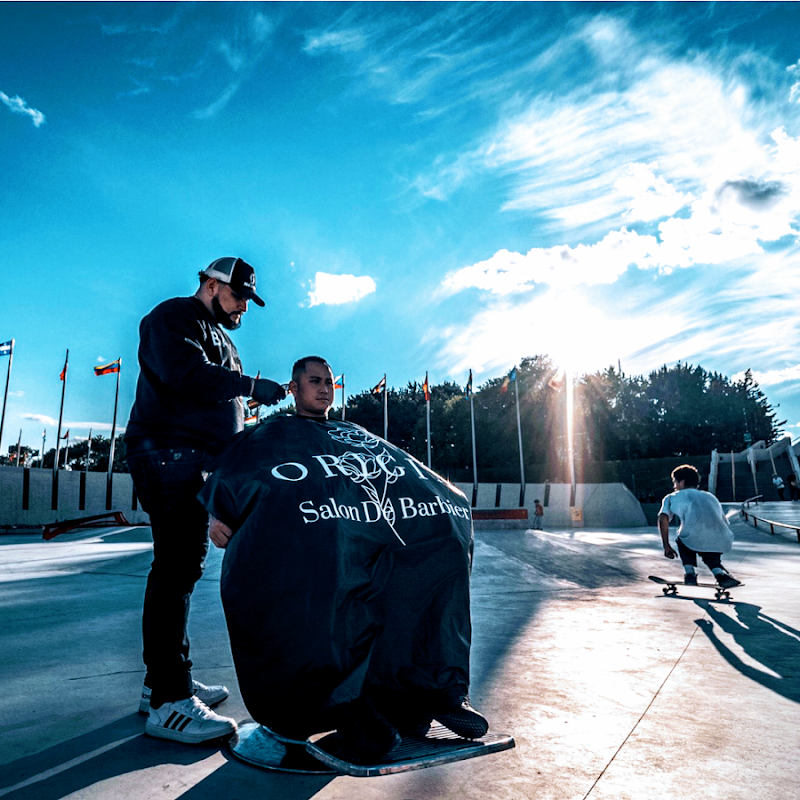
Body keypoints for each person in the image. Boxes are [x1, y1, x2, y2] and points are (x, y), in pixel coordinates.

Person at [200, 356, 489, 765]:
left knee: (442, 539)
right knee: (330, 561)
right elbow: (235, 470)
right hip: (315, 534)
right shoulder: (272, 432)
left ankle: (436, 691)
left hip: (364, 524)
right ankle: (342, 707)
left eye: (329, 383)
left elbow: (402, 471)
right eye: (314, 381)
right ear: (294, 388)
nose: (324, 389)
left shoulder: (353, 432)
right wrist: (219, 508)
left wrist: (447, 501)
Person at [125, 257, 286, 745]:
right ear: (213, 286)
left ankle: (162, 681)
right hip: (167, 454)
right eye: (238, 297)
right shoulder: (173, 317)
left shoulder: (224, 338)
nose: (243, 308)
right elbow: (186, 375)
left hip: (195, 462)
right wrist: (250, 385)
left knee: (184, 569)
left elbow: (220, 401)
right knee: (175, 568)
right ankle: (169, 703)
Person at [658, 464, 740, 589]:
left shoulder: (672, 497)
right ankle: (720, 574)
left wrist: (666, 545)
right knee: (708, 539)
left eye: (674, 482)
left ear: (682, 482)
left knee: (683, 537)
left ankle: (689, 573)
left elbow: (663, 518)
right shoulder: (711, 496)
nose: (674, 486)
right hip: (723, 539)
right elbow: (721, 521)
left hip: (693, 539)